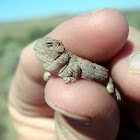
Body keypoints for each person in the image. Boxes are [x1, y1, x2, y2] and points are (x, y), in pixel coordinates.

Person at [8, 8, 140, 140]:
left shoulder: (68, 60)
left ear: (59, 47)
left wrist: (71, 76)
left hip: (105, 77)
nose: (41, 47)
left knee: (111, 89)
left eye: (49, 45)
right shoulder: (57, 64)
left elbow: (77, 68)